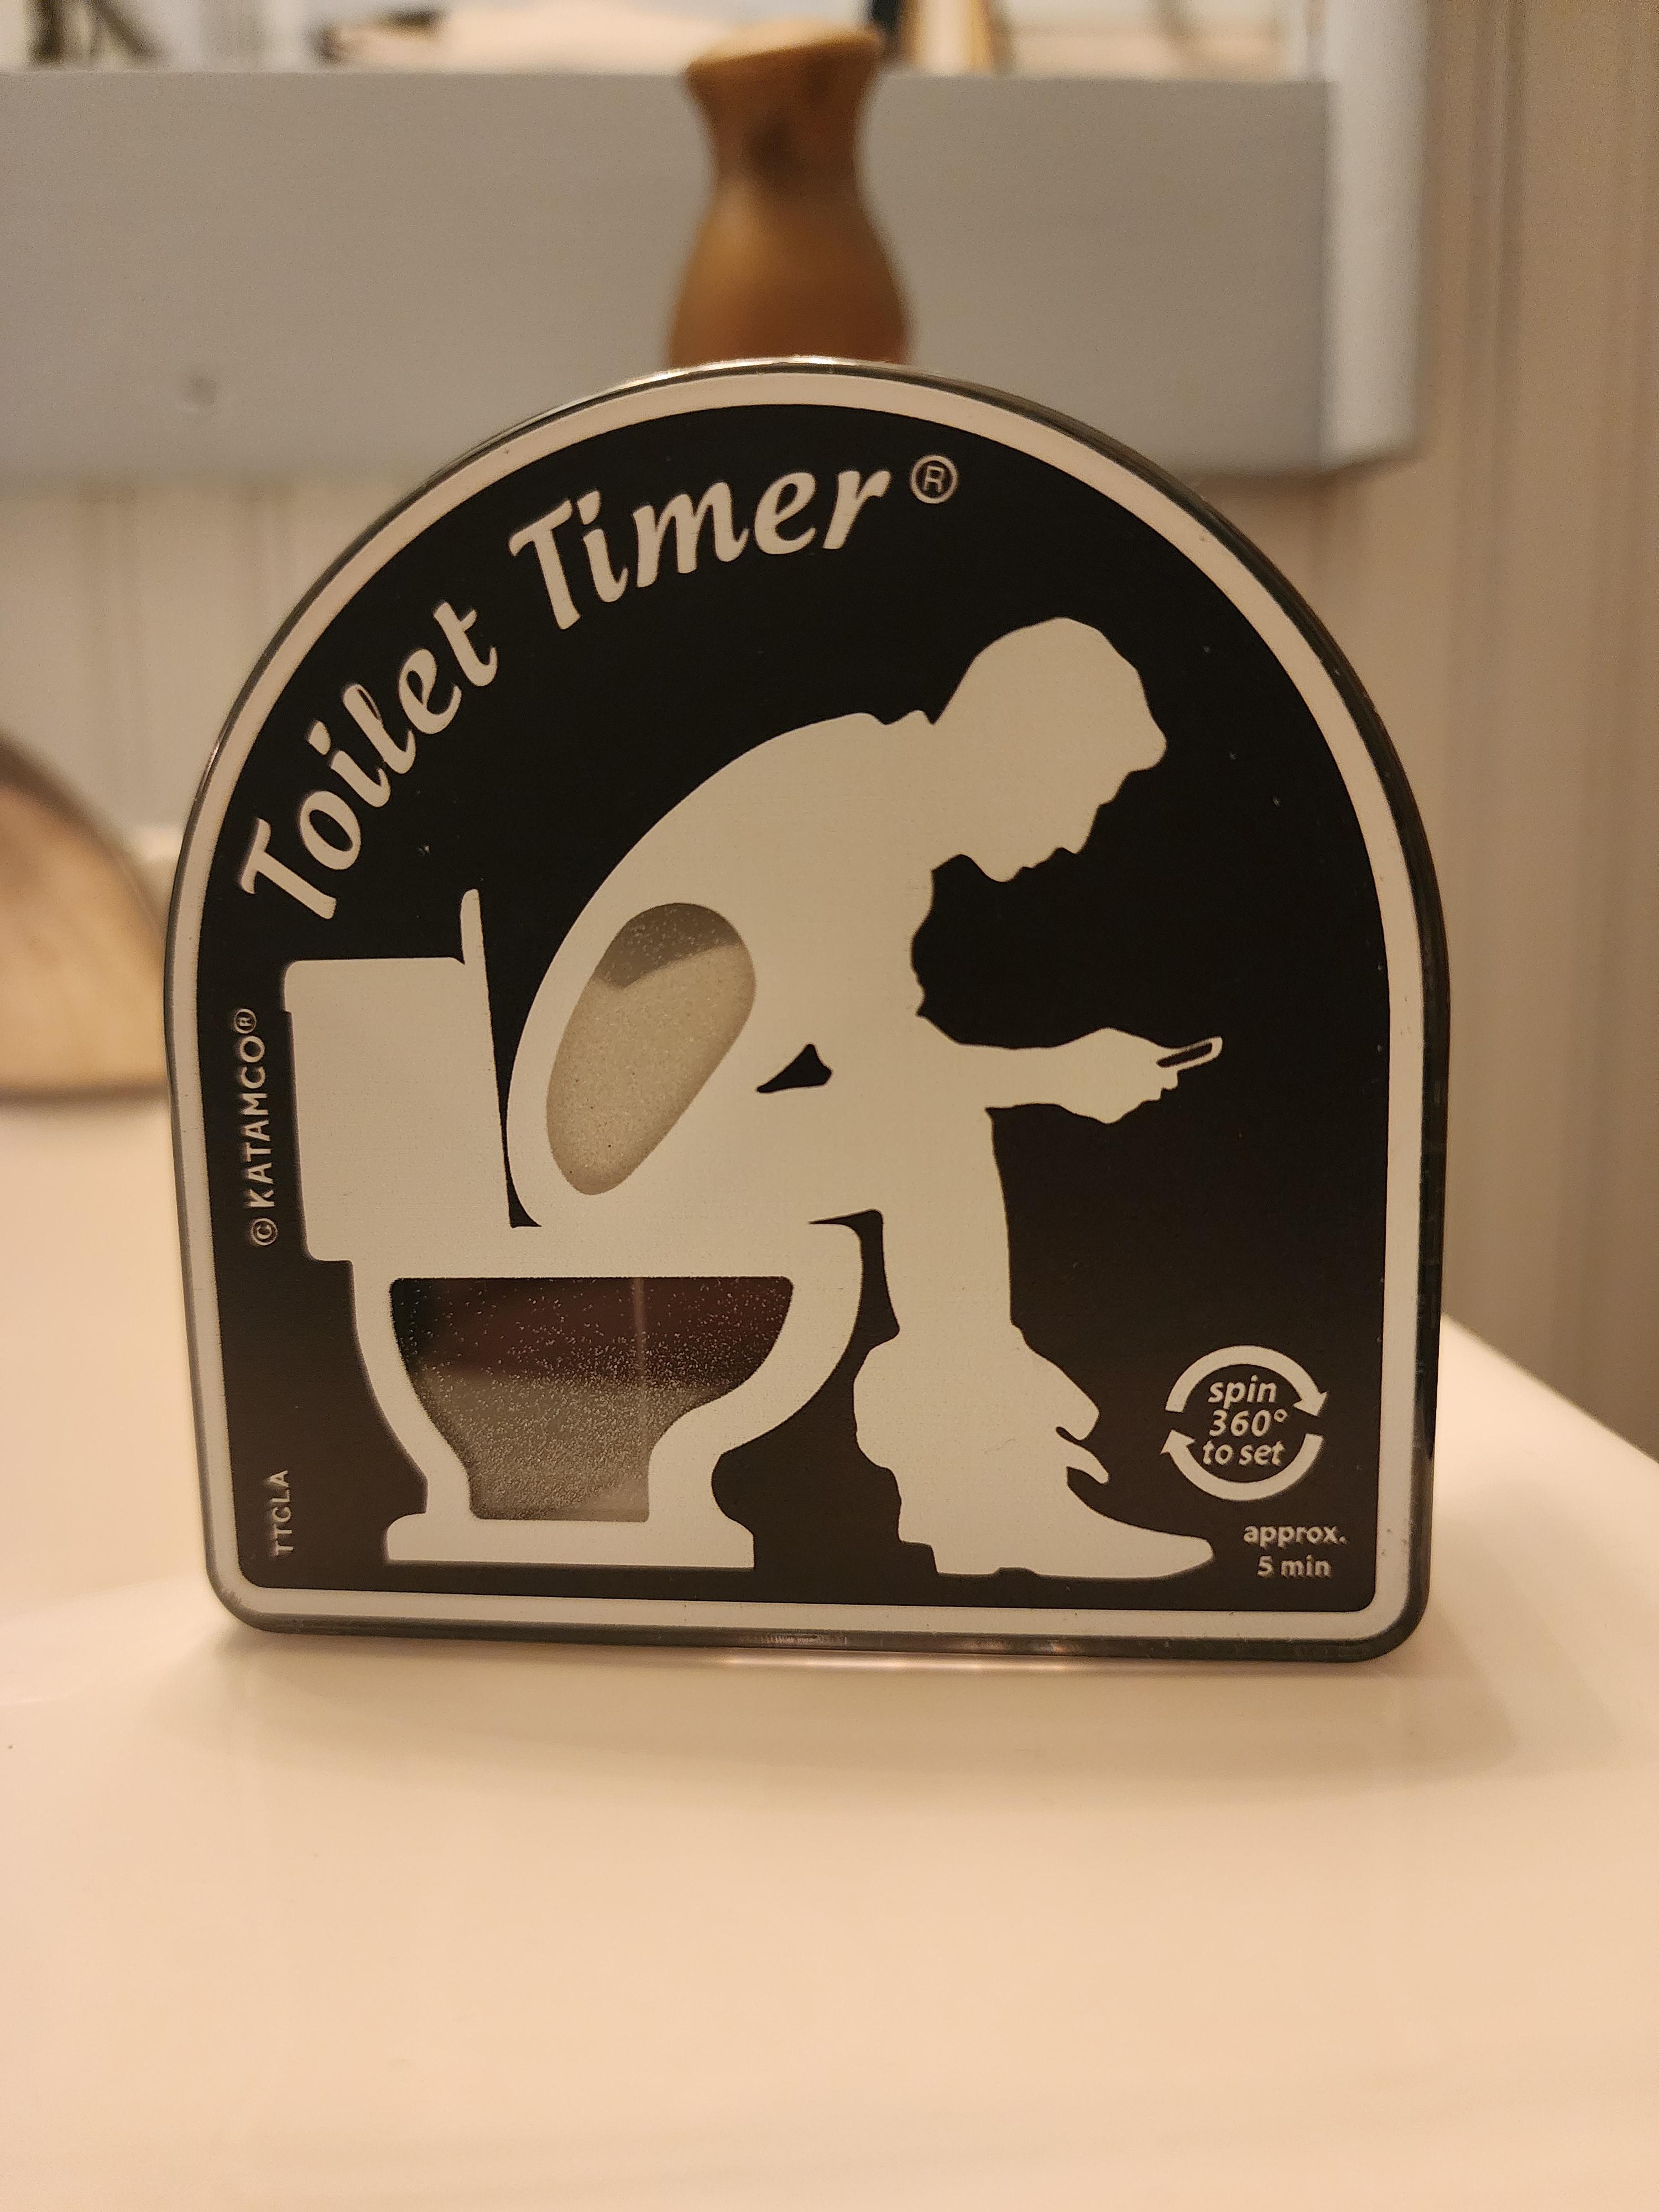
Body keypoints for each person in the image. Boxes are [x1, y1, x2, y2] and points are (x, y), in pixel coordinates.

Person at [505, 618, 1219, 1575]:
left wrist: (1051, 1074)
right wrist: (1058, 1076)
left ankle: (985, 1492)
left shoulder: (862, 789)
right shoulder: (851, 811)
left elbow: (883, 1054)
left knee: (925, 1127)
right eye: (1079, 796)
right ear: (1016, 749)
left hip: (634, 1142)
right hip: (613, 1168)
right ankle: (985, 1499)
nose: (1076, 837)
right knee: (928, 1135)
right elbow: (892, 1072)